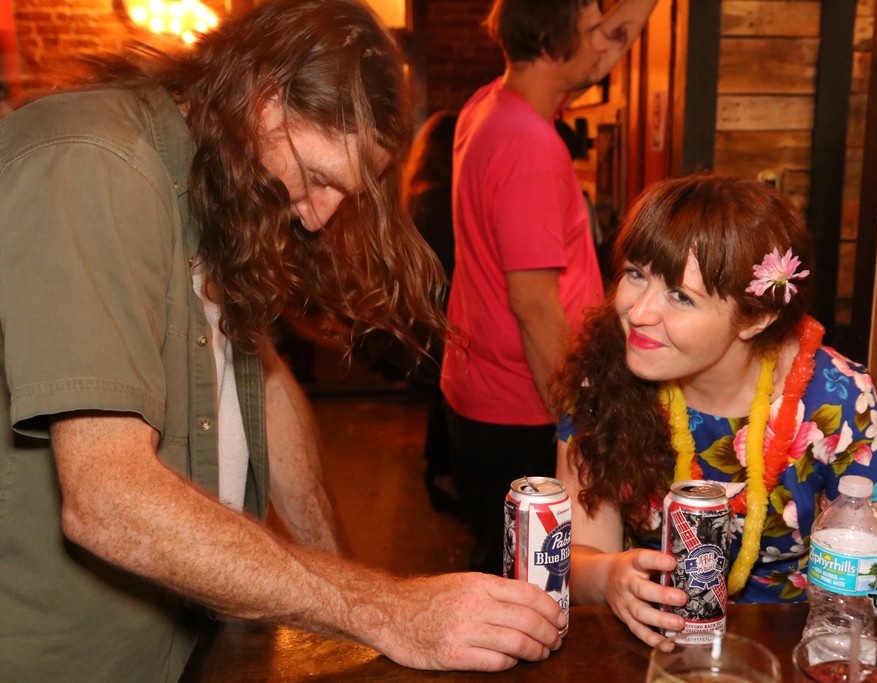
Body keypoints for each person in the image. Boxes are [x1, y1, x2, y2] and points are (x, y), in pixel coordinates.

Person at [0, 2, 566, 681]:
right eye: (320, 177)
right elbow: (108, 499)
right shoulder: (95, 161)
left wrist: (355, 597)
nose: (321, 215)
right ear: (263, 95)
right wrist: (382, 609)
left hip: (190, 635)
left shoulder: (218, 182)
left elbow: (261, 387)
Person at [551, 174, 877, 645]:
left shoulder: (840, 401)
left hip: (799, 646)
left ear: (757, 317)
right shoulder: (601, 381)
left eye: (681, 296)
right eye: (636, 274)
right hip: (654, 644)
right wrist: (609, 577)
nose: (638, 313)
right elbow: (578, 554)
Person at [441, 0, 660, 577]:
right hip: (523, 406)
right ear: (550, 44)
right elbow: (534, 305)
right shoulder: (529, 143)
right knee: (531, 580)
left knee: (504, 563)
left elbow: (601, 55)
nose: (603, 43)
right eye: (589, 29)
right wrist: (580, 426)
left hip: (486, 391)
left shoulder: (490, 105)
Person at [402, 110, 460, 513]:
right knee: (447, 396)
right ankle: (441, 476)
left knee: (442, 396)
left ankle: (437, 472)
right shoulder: (441, 202)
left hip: (425, 314)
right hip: (444, 314)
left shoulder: (419, 195)